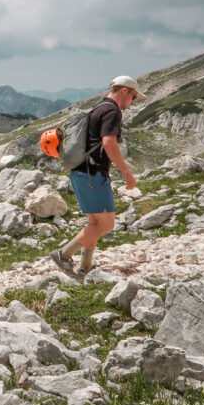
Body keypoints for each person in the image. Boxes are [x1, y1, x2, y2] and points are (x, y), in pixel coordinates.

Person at [50, 76, 144, 278]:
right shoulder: (112, 111)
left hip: (81, 172)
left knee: (95, 224)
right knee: (106, 224)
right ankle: (63, 255)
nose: (133, 101)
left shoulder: (98, 107)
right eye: (134, 97)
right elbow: (109, 143)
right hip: (93, 175)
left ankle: (84, 268)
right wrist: (126, 172)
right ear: (124, 91)